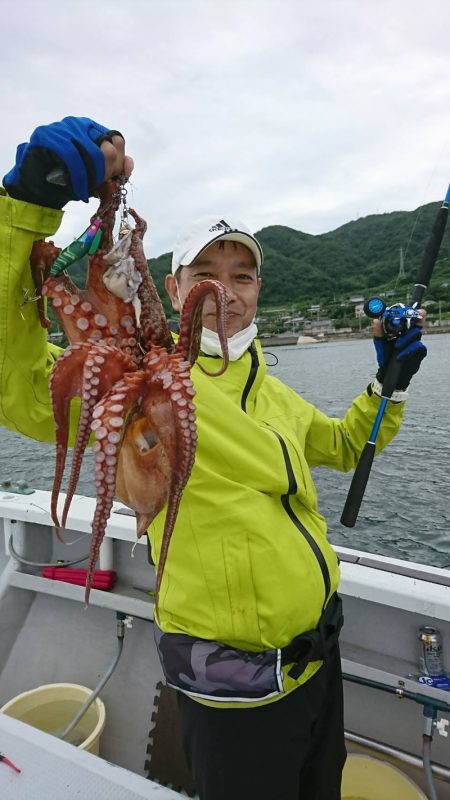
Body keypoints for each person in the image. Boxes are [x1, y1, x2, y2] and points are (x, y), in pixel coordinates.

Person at [0, 117, 427, 800]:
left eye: (243, 276)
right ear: (172, 290)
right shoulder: (140, 389)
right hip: (234, 691)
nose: (225, 293)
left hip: (318, 661)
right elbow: (15, 380)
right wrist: (24, 208)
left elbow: (347, 446)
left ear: (260, 290)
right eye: (205, 273)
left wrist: (388, 385)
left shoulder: (274, 392)